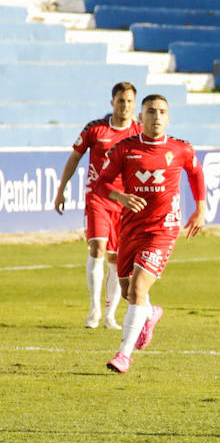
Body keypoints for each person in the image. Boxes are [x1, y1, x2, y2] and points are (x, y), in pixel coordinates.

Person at [90, 94, 207, 374]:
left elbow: (196, 173)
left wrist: (200, 208)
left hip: (163, 229)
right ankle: (150, 314)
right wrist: (120, 196)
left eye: (162, 112)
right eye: (151, 112)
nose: (157, 117)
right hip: (130, 228)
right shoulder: (124, 149)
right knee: (130, 291)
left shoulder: (181, 149)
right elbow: (101, 184)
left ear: (169, 118)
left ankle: (123, 355)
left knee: (139, 287)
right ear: (140, 118)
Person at [53, 82, 142, 329]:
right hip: (98, 197)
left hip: (125, 202)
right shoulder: (96, 129)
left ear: (135, 104)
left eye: (130, 101)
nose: (125, 106)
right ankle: (94, 310)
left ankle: (110, 315)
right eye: (121, 101)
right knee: (97, 249)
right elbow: (74, 157)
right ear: (112, 102)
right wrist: (61, 190)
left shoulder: (138, 132)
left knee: (117, 257)